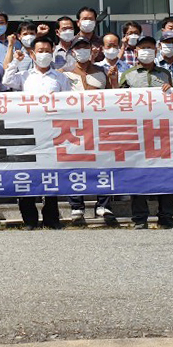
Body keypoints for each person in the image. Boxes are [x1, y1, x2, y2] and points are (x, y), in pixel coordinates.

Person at [2, 36, 71, 229]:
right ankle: (30, 220)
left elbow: (69, 102)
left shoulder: (60, 77)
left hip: (51, 132)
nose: (44, 54)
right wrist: (16, 60)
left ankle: (51, 219)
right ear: (32, 54)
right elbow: (6, 80)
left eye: (47, 51)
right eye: (40, 51)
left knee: (51, 176)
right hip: (27, 131)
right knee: (27, 175)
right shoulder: (25, 76)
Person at [118, 36, 173, 229]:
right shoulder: (128, 75)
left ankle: (166, 217)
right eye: (143, 48)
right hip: (137, 131)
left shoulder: (165, 74)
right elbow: (117, 101)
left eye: (150, 48)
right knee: (138, 175)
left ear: (157, 50)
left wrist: (171, 90)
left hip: (163, 131)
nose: (146, 51)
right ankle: (140, 218)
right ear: (135, 52)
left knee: (167, 174)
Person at [62, 36, 116, 225]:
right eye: (78, 47)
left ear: (92, 50)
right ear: (72, 51)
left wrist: (114, 79)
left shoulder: (102, 72)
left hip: (99, 126)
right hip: (73, 127)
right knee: (73, 165)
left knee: (104, 163)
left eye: (86, 46)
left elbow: (113, 97)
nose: (82, 50)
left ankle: (104, 205)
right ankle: (77, 206)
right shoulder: (63, 73)